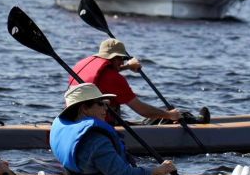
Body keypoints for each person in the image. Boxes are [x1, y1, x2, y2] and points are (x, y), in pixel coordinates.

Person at [50, 83, 177, 175]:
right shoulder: (97, 141)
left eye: (106, 103)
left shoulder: (65, 129)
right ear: (84, 108)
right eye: (100, 103)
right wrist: (159, 170)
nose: (106, 108)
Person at [69, 38, 208, 125]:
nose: (123, 62)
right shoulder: (115, 79)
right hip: (104, 126)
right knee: (166, 115)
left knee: (154, 118)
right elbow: (141, 109)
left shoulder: (83, 66)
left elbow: (105, 77)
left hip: (77, 120)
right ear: (115, 59)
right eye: (122, 59)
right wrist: (169, 115)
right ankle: (195, 120)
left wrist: (128, 66)